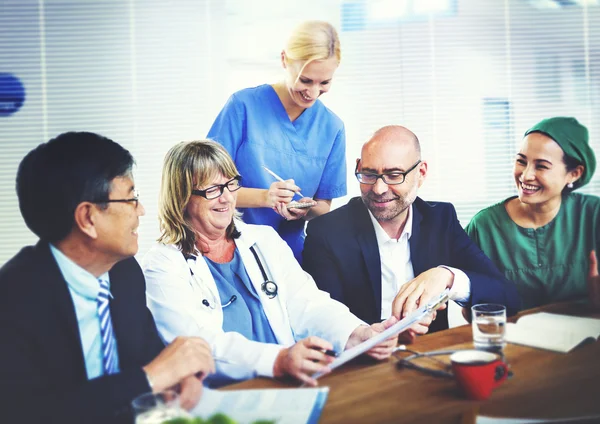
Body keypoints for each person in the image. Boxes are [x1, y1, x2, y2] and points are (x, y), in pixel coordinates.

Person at [142, 140, 407, 387]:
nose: (225, 198)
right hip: (223, 396)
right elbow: (194, 346)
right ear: (182, 197)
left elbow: (308, 304)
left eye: (230, 184)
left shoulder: (263, 240)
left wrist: (356, 334)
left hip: (287, 382)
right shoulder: (163, 264)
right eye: (212, 190)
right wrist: (278, 359)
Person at [0, 132, 215, 424]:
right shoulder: (13, 299)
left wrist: (180, 378)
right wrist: (153, 376)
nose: (141, 211)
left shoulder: (125, 272)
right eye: (131, 198)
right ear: (88, 218)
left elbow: (150, 355)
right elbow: (27, 413)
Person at [302, 125, 521, 338]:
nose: (379, 189)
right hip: (361, 363)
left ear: (421, 173)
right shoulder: (326, 232)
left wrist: (448, 277)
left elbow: (506, 297)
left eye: (394, 174)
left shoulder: (441, 220)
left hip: (429, 353)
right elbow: (324, 321)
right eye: (369, 174)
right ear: (358, 167)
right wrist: (379, 335)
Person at [207, 20, 347, 264]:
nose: (313, 93)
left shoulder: (332, 128)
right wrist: (265, 197)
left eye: (324, 83)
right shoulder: (243, 107)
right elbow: (206, 189)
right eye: (305, 80)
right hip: (231, 250)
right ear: (284, 60)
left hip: (290, 258)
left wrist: (304, 209)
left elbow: (323, 206)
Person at [466, 117, 600, 310]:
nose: (526, 175)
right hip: (512, 337)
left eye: (541, 166)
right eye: (521, 161)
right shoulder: (484, 226)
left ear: (574, 173)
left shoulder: (593, 215)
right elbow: (471, 308)